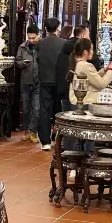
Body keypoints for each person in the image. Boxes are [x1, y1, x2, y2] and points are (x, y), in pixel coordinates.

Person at [67, 38, 112, 153]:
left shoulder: (78, 63)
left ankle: (80, 158)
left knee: (80, 136)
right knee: (88, 136)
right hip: (86, 103)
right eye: (91, 49)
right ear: (85, 52)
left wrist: (105, 70)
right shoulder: (86, 65)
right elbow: (101, 84)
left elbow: (92, 78)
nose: (93, 52)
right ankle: (86, 157)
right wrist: (111, 70)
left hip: (77, 103)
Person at [36, 18, 65, 150]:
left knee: (44, 109)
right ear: (58, 27)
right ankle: (57, 138)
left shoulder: (40, 43)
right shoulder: (63, 43)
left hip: (44, 80)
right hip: (59, 80)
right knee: (59, 110)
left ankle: (45, 141)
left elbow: (38, 60)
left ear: (45, 28)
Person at [14, 24, 40, 143]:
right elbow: (17, 61)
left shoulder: (42, 47)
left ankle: (34, 131)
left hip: (38, 82)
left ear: (38, 35)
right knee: (25, 108)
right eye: (29, 38)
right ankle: (27, 131)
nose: (31, 40)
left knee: (36, 108)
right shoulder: (22, 47)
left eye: (33, 38)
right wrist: (22, 63)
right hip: (25, 81)